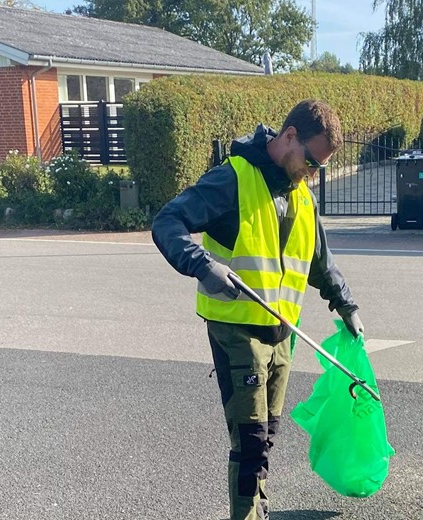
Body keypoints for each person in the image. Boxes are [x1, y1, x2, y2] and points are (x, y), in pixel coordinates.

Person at [151, 99, 363, 520]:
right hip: (237, 329)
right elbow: (167, 222)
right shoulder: (233, 178)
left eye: (320, 168)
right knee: (249, 443)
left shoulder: (302, 198)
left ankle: (257, 511)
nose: (313, 173)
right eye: (311, 162)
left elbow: (320, 262)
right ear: (290, 136)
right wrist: (202, 265)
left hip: (281, 333)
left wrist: (346, 305)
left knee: (265, 438)